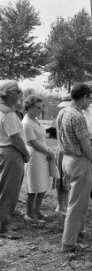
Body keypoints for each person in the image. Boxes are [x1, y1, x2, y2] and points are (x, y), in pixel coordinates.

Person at [56, 82, 92, 252]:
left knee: (79, 201)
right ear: (84, 97)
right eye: (90, 98)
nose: (91, 102)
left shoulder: (63, 112)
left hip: (67, 159)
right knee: (76, 204)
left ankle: (77, 232)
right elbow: (86, 145)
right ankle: (68, 242)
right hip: (79, 161)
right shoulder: (78, 117)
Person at [0, 80, 30, 239]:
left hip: (3, 151)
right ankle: (3, 227)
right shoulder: (9, 114)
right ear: (7, 93)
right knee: (9, 191)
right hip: (11, 153)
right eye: (16, 91)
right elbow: (15, 139)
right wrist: (26, 153)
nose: (19, 93)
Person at [22, 95, 55, 223]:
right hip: (34, 157)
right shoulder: (26, 123)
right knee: (34, 187)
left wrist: (47, 152)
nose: (40, 110)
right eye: (37, 107)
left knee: (42, 185)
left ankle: (37, 211)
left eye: (41, 107)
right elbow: (33, 143)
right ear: (29, 107)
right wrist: (49, 152)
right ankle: (30, 214)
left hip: (42, 156)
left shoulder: (36, 120)